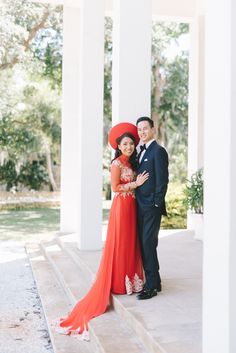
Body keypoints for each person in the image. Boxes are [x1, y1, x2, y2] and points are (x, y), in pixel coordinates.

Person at [54, 122, 149, 340]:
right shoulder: (116, 163)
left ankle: (131, 280)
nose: (129, 146)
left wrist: (137, 182)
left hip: (132, 206)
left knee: (131, 243)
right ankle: (118, 282)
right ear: (118, 146)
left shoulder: (132, 162)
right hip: (121, 207)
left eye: (131, 143)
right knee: (121, 243)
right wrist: (135, 183)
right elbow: (115, 188)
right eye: (125, 144)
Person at [135, 116, 169, 300]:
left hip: (151, 207)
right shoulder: (140, 151)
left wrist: (156, 203)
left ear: (153, 129)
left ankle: (151, 286)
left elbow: (163, 180)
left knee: (148, 244)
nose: (142, 132)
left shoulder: (158, 151)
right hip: (139, 206)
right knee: (146, 244)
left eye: (145, 128)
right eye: (139, 129)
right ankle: (155, 281)